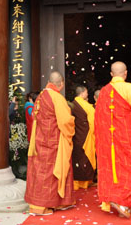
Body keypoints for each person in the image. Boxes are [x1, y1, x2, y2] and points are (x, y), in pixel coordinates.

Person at [94, 62, 131, 219]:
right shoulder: (130, 89)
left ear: (111, 74)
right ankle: (123, 202)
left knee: (111, 169)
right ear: (125, 74)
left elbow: (97, 118)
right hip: (126, 139)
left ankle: (114, 199)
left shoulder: (103, 92)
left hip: (106, 141)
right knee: (129, 169)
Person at [25, 71, 75, 216]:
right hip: (53, 141)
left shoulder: (40, 96)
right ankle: (40, 207)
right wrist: (72, 124)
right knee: (49, 173)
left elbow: (35, 116)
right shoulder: (57, 98)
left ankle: (49, 203)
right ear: (61, 84)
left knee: (39, 171)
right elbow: (66, 121)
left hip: (39, 139)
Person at [70, 85, 96, 190]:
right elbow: (93, 122)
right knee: (84, 158)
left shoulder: (72, 105)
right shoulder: (86, 106)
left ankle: (82, 182)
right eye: (86, 93)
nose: (87, 94)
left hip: (76, 136)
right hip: (85, 136)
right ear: (82, 93)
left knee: (79, 158)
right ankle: (84, 183)